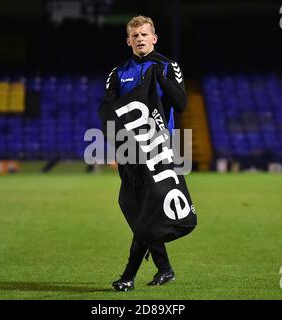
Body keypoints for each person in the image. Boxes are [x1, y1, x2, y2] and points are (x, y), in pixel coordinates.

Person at [99, 15, 187, 292]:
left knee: (148, 209)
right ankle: (165, 268)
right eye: (134, 35)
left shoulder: (167, 65)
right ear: (128, 41)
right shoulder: (117, 72)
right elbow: (107, 111)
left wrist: (160, 78)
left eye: (144, 34)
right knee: (137, 208)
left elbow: (181, 103)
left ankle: (128, 276)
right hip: (129, 150)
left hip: (160, 147)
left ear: (154, 38)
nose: (139, 39)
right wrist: (116, 145)